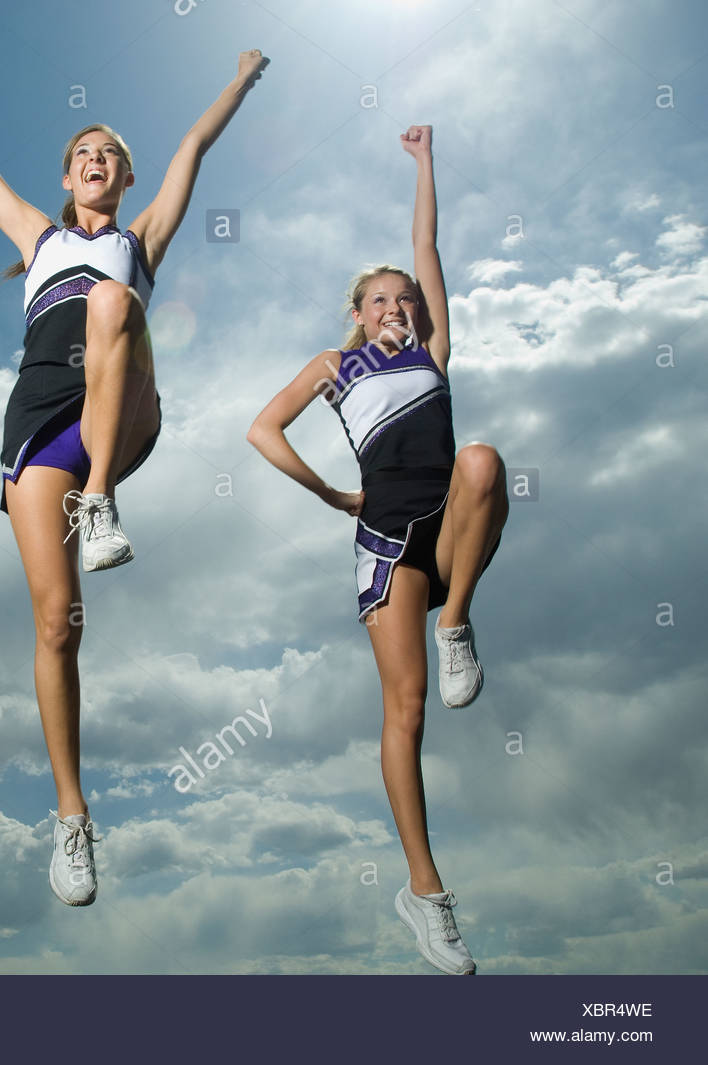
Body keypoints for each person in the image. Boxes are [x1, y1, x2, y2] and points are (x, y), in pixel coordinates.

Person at [0, 52, 267, 905]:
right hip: (38, 421)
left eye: (111, 155)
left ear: (125, 177)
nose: (97, 161)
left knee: (112, 304)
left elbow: (194, 145)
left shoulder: (141, 242)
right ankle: (71, 817)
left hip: (120, 414)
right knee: (57, 625)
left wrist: (241, 77)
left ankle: (100, 498)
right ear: (67, 175)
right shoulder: (39, 237)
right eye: (84, 152)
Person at [247, 125, 508, 973]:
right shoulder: (336, 366)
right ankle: (426, 894)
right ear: (358, 316)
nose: (397, 308)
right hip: (388, 542)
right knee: (408, 712)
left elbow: (426, 242)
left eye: (406, 300)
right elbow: (262, 429)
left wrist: (427, 160)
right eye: (380, 302)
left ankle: (457, 621)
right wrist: (330, 492)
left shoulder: (435, 353)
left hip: (451, 528)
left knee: (482, 462)